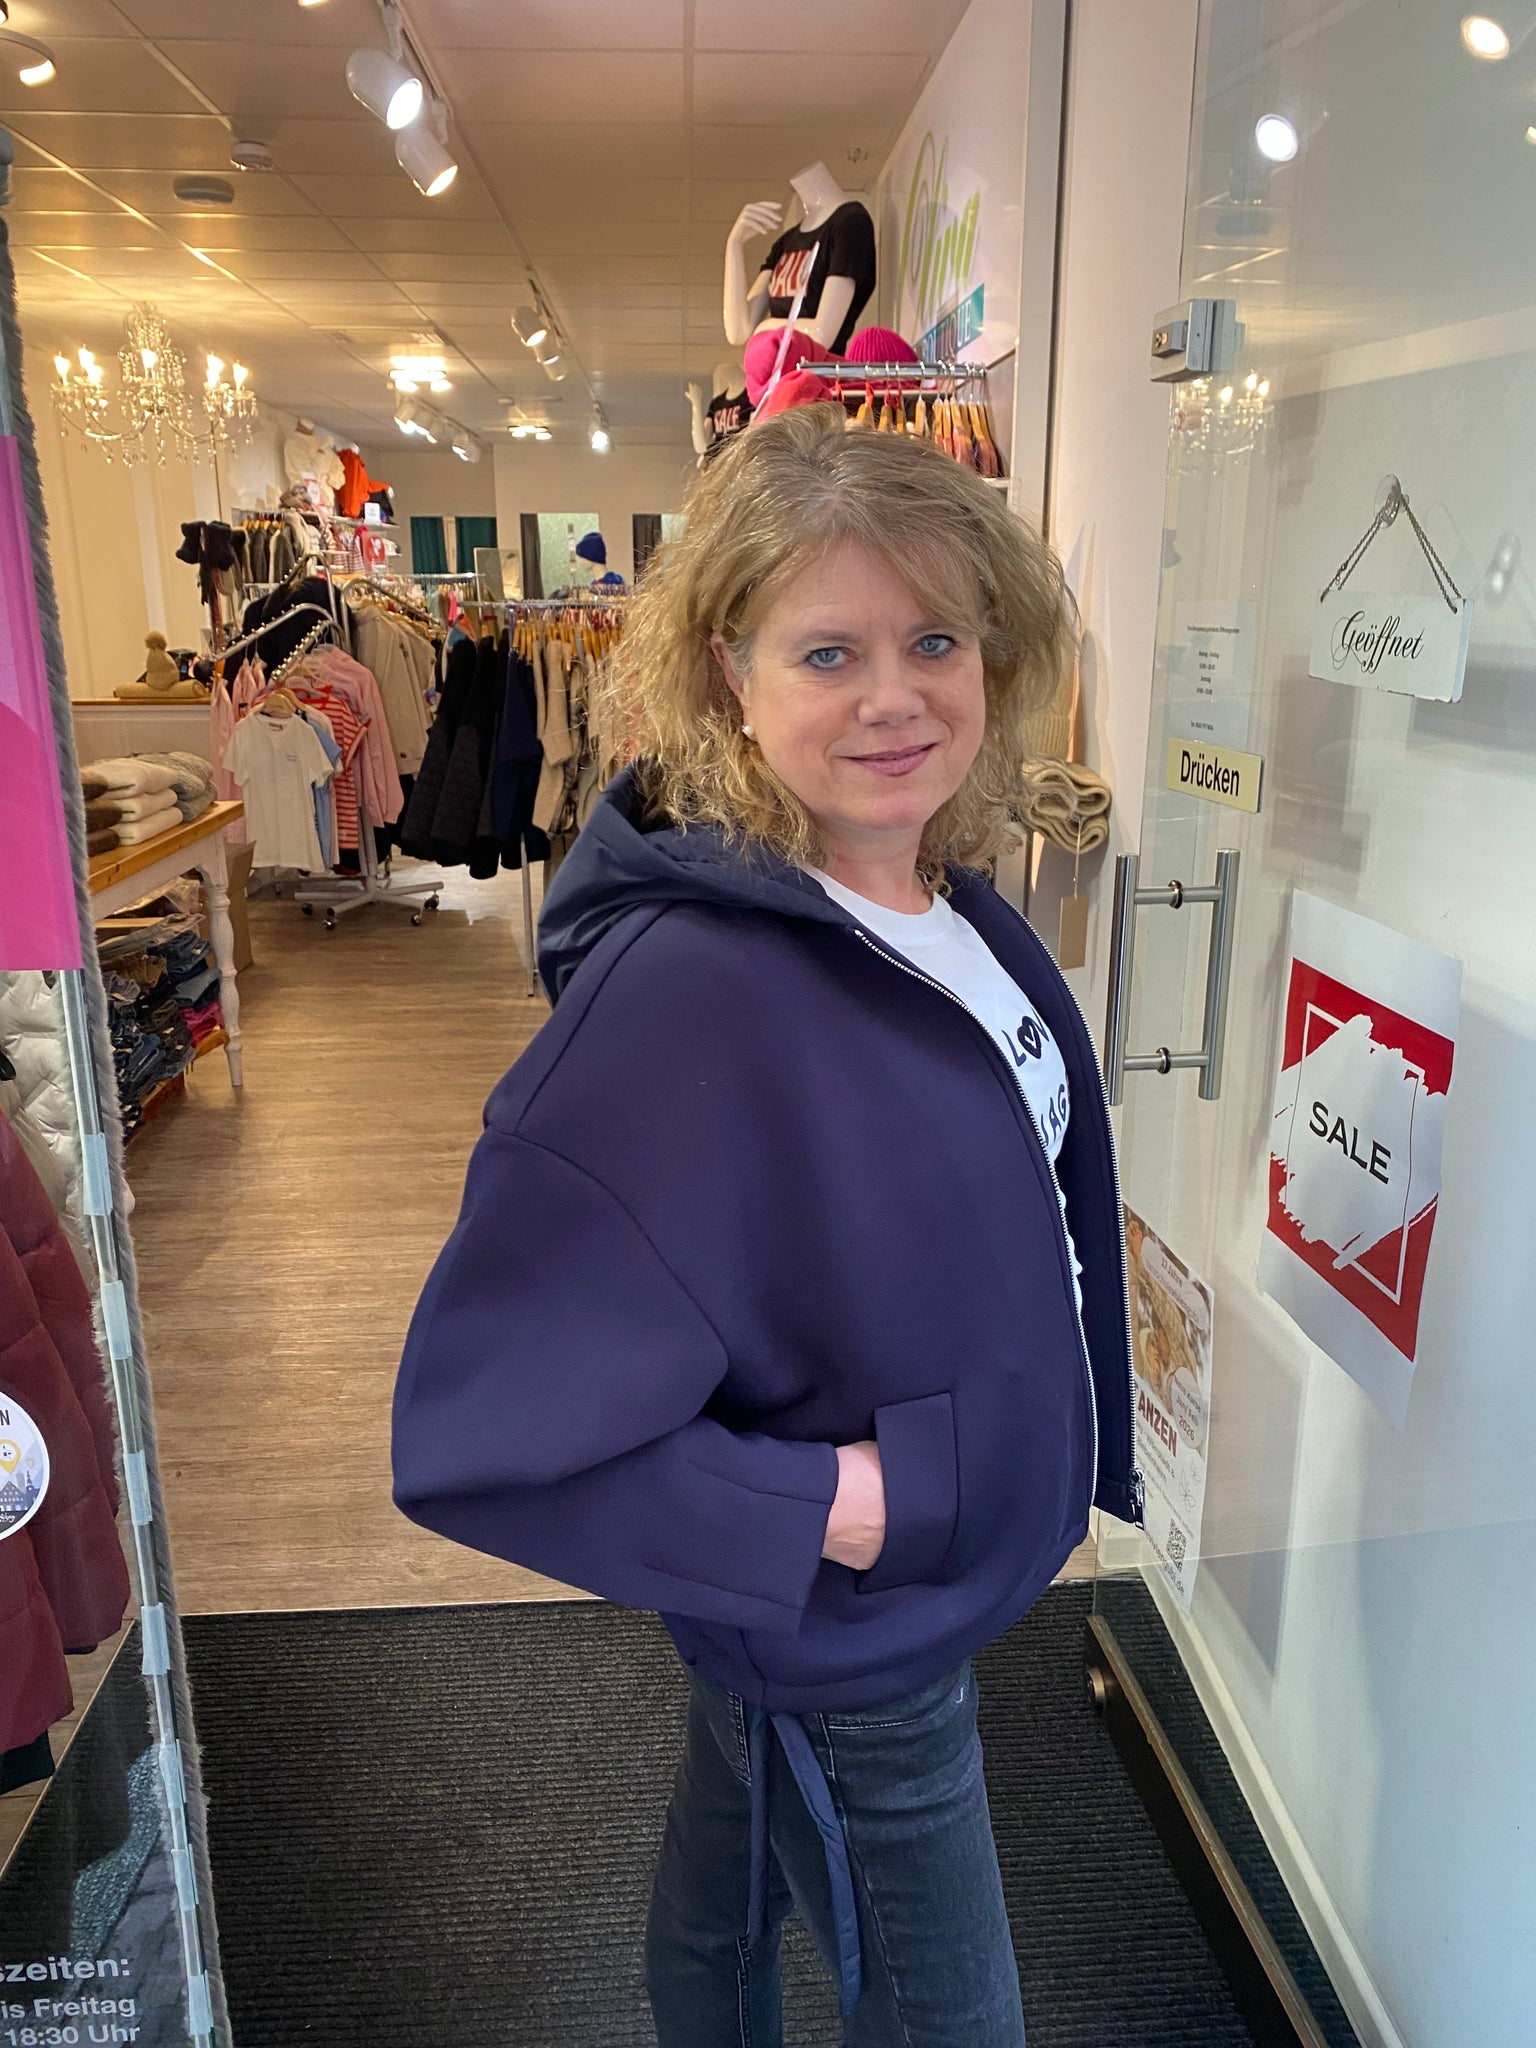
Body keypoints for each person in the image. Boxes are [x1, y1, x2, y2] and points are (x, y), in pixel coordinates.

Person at [392, 407, 1142, 2047]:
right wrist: (836, 1509)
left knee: (723, 1902)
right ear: (731, 672)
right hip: (866, 1643)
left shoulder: (950, 903)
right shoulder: (682, 996)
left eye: (936, 639)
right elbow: (482, 1436)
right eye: (829, 652)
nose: (897, 695)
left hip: (882, 1595)